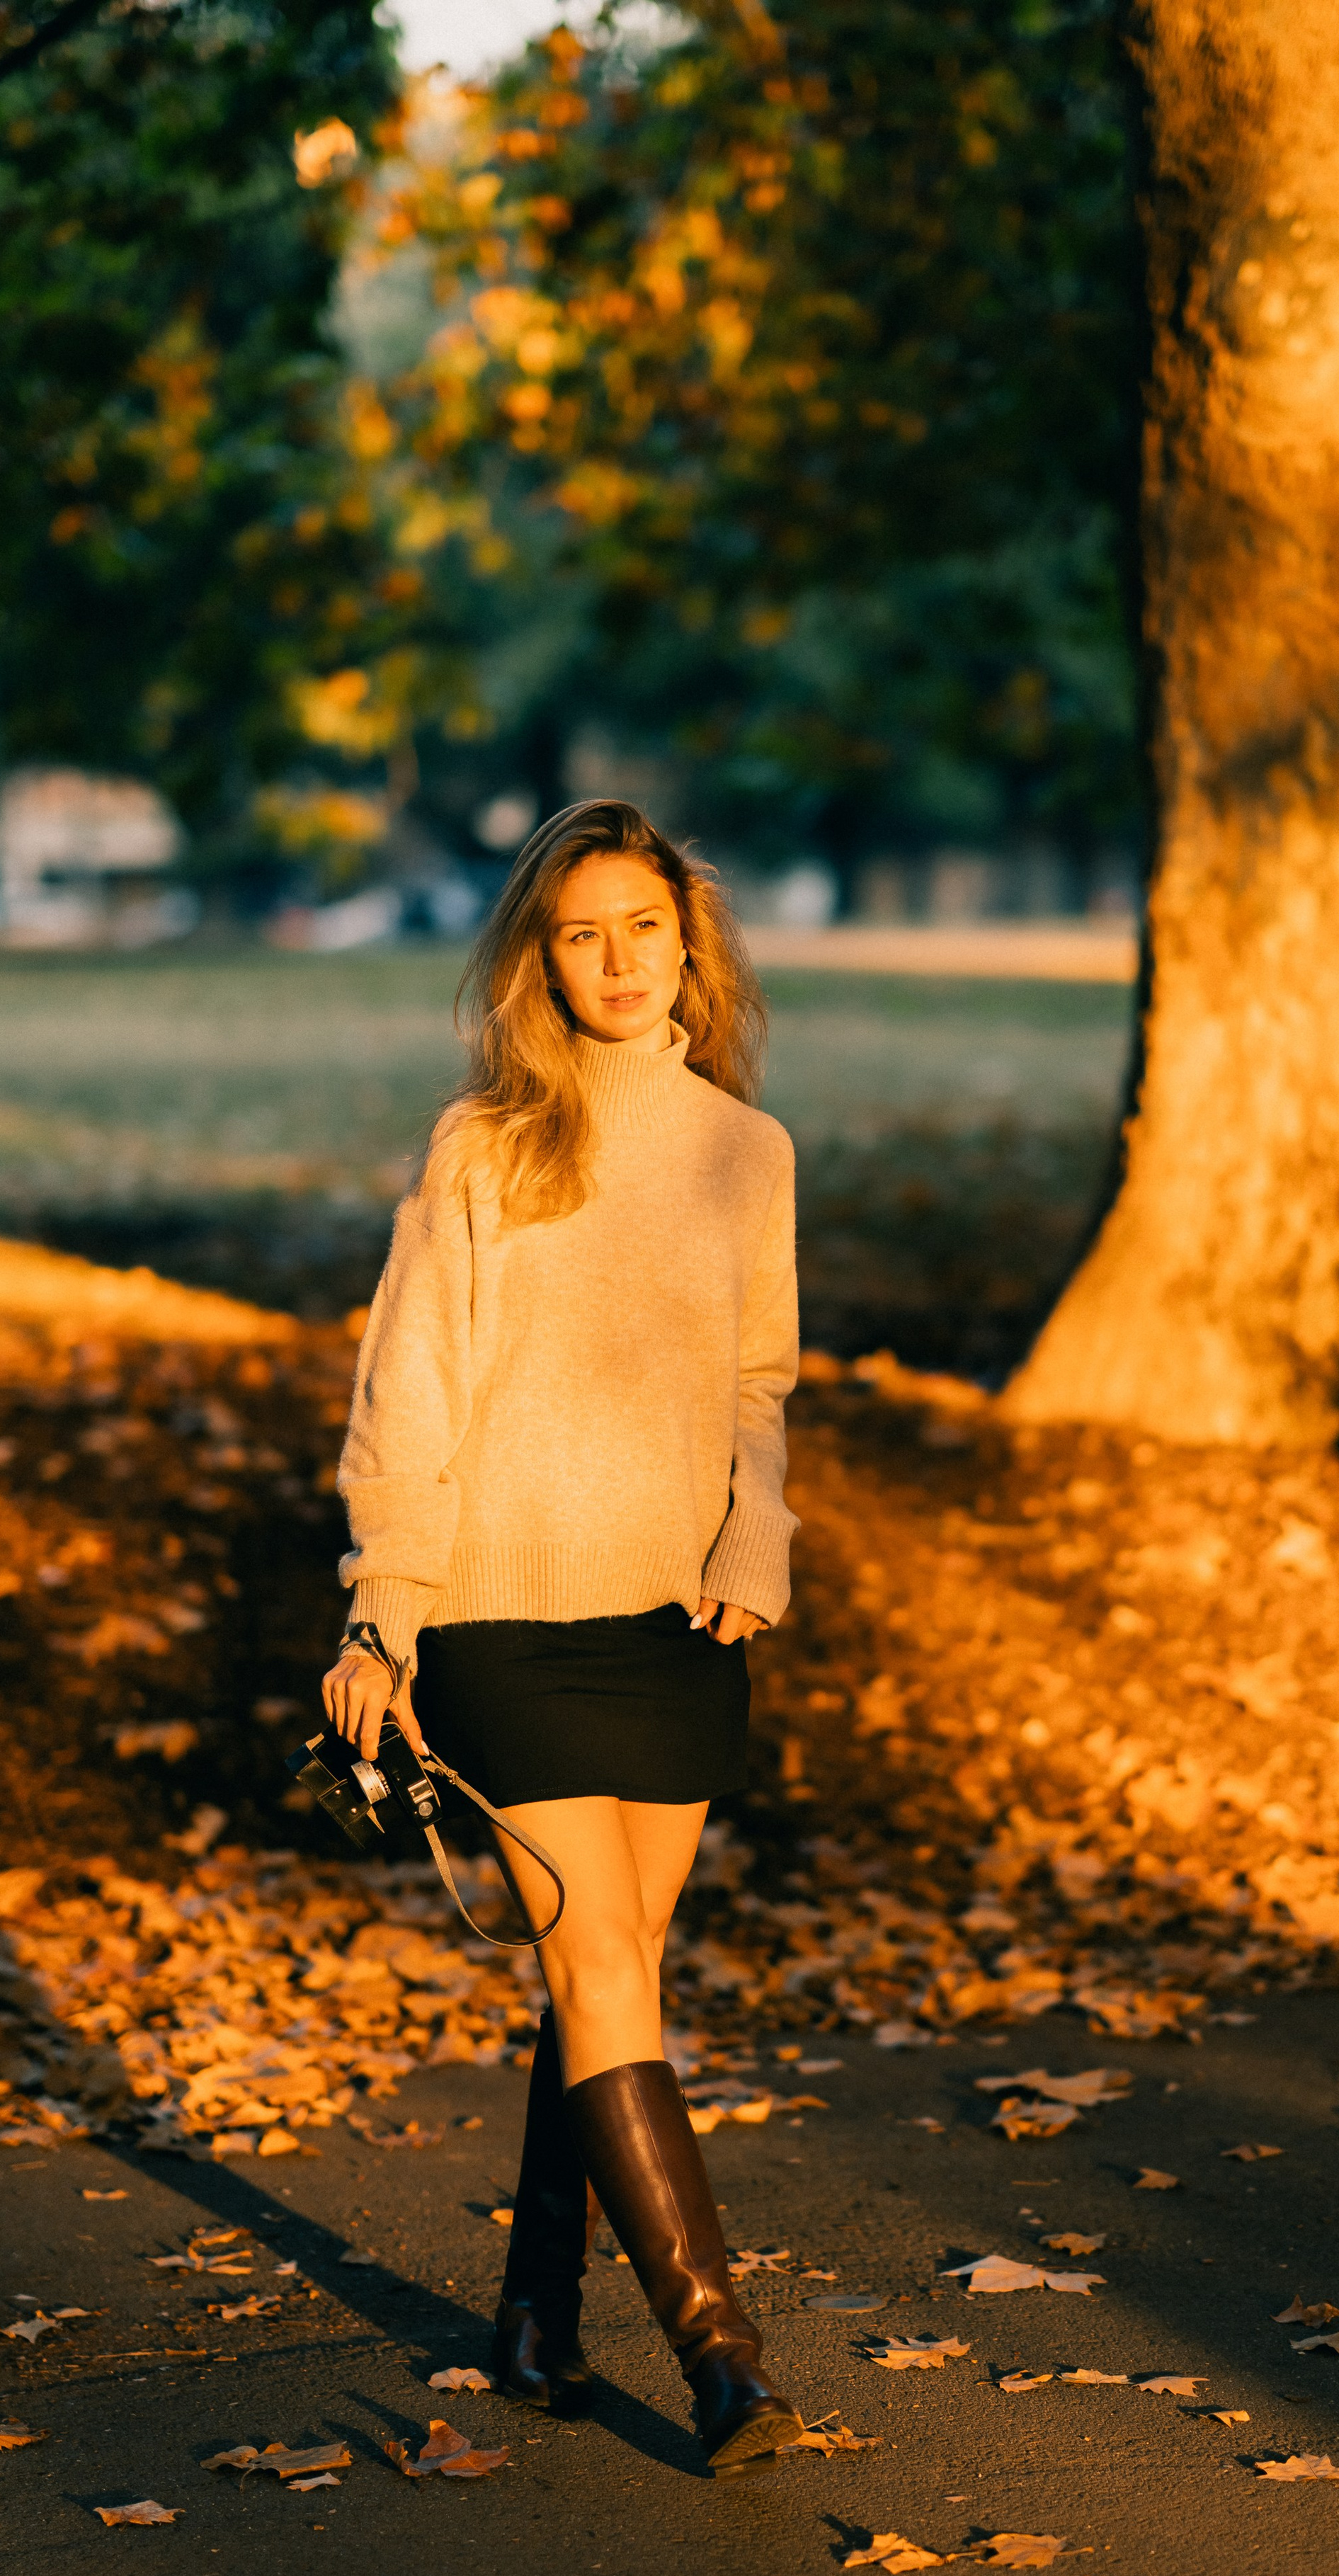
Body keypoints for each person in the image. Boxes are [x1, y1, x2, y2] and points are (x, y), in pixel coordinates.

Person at [320, 798, 802, 2470]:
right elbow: (408, 1390)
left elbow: (757, 1381)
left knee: (611, 1974)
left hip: (673, 1621)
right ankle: (721, 2355)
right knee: (599, 1963)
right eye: (581, 934)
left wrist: (756, 1531)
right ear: (541, 958)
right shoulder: (483, 1146)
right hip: (501, 1621)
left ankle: (535, 2311)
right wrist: (383, 1613)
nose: (616, 961)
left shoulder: (745, 1154)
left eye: (643, 929)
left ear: (688, 943)